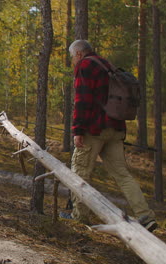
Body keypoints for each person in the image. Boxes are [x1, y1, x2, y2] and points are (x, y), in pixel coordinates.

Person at [62, 39, 157, 232]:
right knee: (123, 174)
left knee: (80, 172)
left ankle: (79, 217)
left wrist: (77, 130)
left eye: (73, 57)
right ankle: (145, 216)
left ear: (79, 54)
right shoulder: (107, 64)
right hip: (116, 128)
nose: (73, 60)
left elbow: (82, 101)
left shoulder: (85, 66)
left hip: (94, 130)